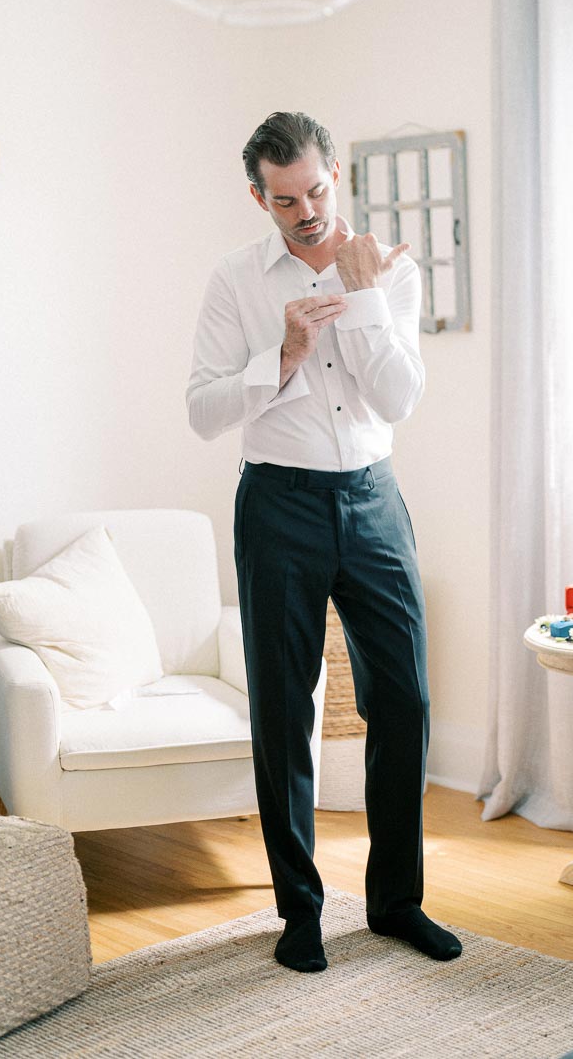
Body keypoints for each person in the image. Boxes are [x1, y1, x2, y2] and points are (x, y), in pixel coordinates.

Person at [186, 111, 461, 973]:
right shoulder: (234, 281)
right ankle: (299, 913)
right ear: (257, 198)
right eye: (284, 200)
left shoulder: (392, 272)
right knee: (282, 709)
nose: (304, 211)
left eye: (314, 191)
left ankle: (396, 904)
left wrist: (366, 297)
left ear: (334, 172)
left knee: (406, 702)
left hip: (375, 502)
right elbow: (201, 409)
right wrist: (285, 353)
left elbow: (399, 397)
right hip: (278, 507)